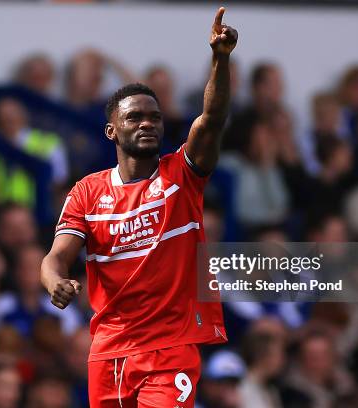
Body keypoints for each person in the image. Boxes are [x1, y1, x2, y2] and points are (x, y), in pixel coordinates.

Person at [40, 7, 237, 407]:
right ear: (112, 130)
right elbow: (54, 258)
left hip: (170, 350)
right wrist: (54, 283)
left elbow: (211, 120)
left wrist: (220, 59)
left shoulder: (181, 176)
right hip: (108, 352)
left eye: (155, 117)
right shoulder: (86, 192)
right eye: (135, 117)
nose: (147, 123)